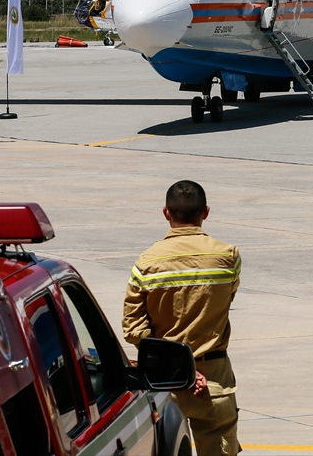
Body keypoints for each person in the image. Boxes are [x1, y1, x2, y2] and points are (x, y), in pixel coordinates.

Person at [123, 181, 241, 456]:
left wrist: (180, 365)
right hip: (214, 377)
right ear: (206, 212)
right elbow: (227, 299)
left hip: (164, 379)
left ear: (166, 212)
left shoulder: (146, 263)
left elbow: (133, 328)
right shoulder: (228, 256)